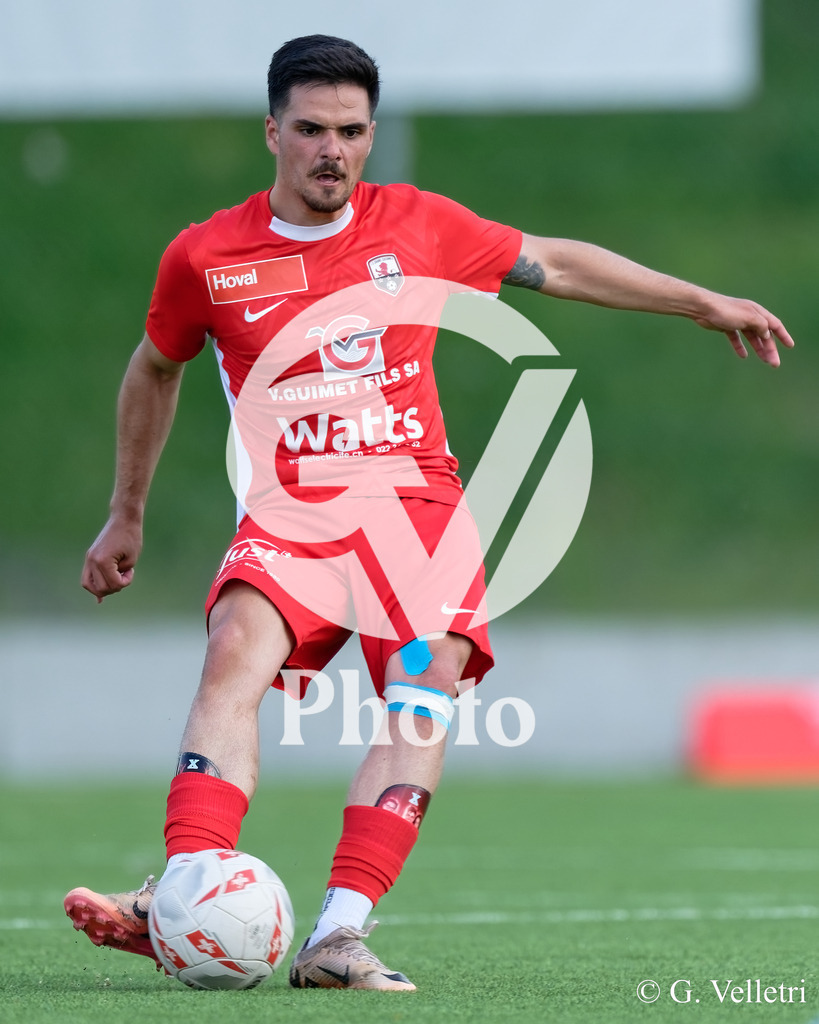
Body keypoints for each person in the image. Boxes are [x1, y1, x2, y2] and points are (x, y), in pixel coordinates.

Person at [63, 34, 793, 992]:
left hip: (416, 517)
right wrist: (127, 514)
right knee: (236, 645)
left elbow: (554, 265)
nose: (334, 150)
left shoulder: (419, 224)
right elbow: (156, 366)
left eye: (354, 131)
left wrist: (697, 300)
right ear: (272, 131)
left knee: (421, 690)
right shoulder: (206, 256)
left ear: (372, 136)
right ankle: (188, 890)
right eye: (314, 129)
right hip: (293, 514)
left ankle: (336, 937)